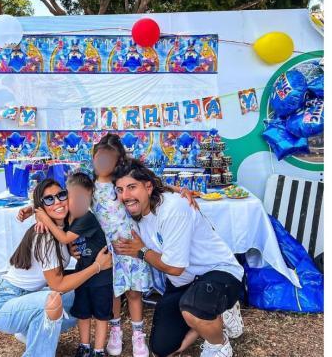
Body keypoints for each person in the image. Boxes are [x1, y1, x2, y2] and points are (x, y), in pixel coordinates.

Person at [18, 134, 199, 357]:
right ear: (93, 158)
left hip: (131, 247)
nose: (103, 163)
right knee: (112, 292)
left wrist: (179, 190)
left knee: (133, 293)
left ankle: (137, 334)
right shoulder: (90, 186)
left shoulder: (120, 184)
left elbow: (151, 185)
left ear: (118, 161)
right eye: (99, 158)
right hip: (107, 252)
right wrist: (32, 208)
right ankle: (114, 330)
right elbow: (64, 198)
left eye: (109, 159)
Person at [111, 159, 245, 357]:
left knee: (194, 308)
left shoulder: (173, 208)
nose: (125, 196)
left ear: (148, 187)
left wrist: (141, 251)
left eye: (131, 187)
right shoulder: (131, 208)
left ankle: (219, 344)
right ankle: (218, 316)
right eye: (120, 190)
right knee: (163, 349)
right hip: (183, 283)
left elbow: (174, 268)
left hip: (218, 271)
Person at [0, 178, 113, 357]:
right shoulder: (45, 236)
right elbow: (58, 285)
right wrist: (97, 266)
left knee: (82, 296)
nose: (57, 202)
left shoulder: (67, 225)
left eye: (61, 195)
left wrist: (36, 211)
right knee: (53, 299)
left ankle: (30, 328)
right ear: (43, 207)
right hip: (6, 306)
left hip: (32, 297)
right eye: (48, 200)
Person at [34, 172, 113, 357]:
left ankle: (99, 350)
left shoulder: (86, 217)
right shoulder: (70, 216)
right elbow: (53, 212)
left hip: (102, 277)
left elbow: (62, 237)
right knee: (82, 313)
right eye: (71, 197)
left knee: (101, 316)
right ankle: (85, 346)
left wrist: (44, 219)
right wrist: (35, 214)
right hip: (83, 275)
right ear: (65, 195)